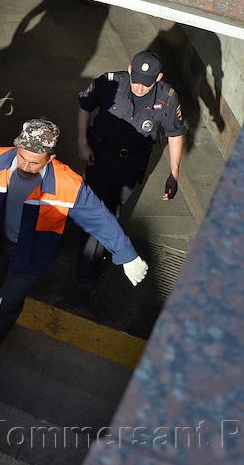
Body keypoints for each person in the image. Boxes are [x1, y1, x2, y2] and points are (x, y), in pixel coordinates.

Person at [0, 119, 148, 378]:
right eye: (23, 157)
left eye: (34, 162)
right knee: (0, 289)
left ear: (50, 159)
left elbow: (100, 219)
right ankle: (3, 321)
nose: (26, 166)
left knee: (3, 305)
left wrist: (127, 254)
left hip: (31, 256)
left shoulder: (68, 185)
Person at [76, 50, 185, 290]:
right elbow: (85, 105)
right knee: (101, 209)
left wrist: (173, 173)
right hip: (100, 156)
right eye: (135, 80)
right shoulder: (108, 82)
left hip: (132, 164)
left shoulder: (168, 98)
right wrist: (82, 142)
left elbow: (175, 134)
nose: (139, 88)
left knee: (112, 208)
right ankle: (86, 270)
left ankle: (95, 245)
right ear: (129, 70)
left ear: (158, 78)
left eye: (146, 85)